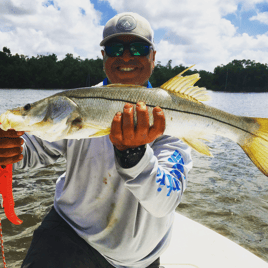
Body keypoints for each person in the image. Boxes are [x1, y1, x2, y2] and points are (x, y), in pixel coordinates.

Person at [0, 12, 192, 268]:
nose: (125, 56)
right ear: (104, 56)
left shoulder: (177, 117)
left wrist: (134, 155)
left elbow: (164, 202)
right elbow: (30, 151)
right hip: (68, 236)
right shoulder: (74, 105)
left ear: (153, 57)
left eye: (138, 48)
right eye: (114, 48)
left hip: (141, 261)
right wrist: (10, 148)